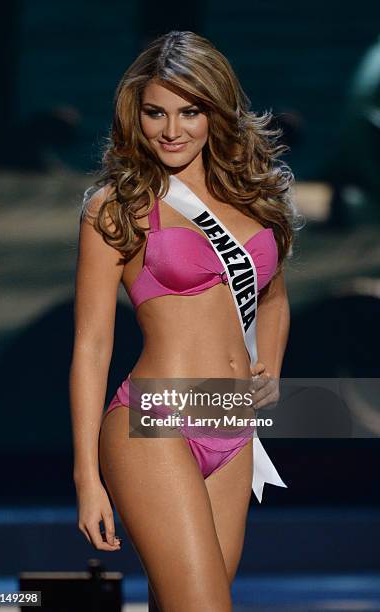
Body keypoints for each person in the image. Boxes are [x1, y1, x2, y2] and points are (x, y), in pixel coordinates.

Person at [70, 30, 298, 612]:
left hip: (230, 420)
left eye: (189, 111)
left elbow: (271, 298)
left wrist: (267, 363)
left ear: (214, 112)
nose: (172, 130)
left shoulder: (251, 198)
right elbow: (93, 345)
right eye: (156, 112)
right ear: (135, 115)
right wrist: (86, 478)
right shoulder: (116, 206)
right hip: (154, 421)